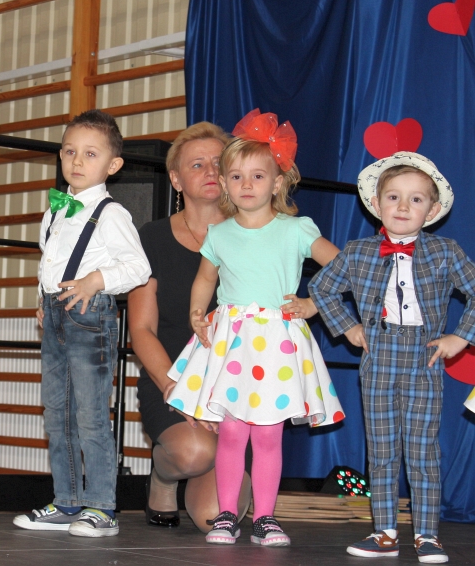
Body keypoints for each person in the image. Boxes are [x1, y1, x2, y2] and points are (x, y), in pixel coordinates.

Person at [166, 108, 344, 547]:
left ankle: (265, 517)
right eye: (237, 176)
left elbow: (343, 268)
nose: (247, 185)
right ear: (225, 184)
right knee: (231, 432)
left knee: (267, 435)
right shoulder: (220, 234)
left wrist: (313, 303)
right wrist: (196, 314)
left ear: (278, 182)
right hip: (232, 342)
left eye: (258, 176)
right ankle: (227, 515)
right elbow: (205, 279)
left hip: (276, 344)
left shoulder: (296, 230)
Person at [309, 151, 474, 564]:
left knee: (422, 450)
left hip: (424, 358)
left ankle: (427, 535)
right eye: (394, 197)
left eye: (416, 199)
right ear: (376, 203)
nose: (403, 206)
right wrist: (348, 327)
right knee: (382, 449)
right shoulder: (358, 251)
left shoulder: (445, 251)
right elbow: (322, 288)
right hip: (379, 358)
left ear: (432, 210)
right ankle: (384, 532)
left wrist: (460, 337)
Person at [13, 110, 151, 537]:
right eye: (70, 151)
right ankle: (68, 501)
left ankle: (103, 507)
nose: (77, 161)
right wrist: (43, 299)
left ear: (113, 165)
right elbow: (50, 262)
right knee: (57, 414)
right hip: (56, 313)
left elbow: (139, 268)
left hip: (91, 318)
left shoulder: (111, 214)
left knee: (91, 416)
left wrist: (96, 280)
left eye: (90, 154)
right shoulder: (55, 211)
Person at [129, 121, 251, 532]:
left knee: (214, 519)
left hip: (238, 387)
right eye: (197, 164)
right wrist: (178, 390)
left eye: (219, 162)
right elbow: (141, 329)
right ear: (177, 179)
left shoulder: (255, 236)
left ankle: (231, 461)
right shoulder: (152, 237)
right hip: (172, 377)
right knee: (193, 452)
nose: (210, 171)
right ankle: (163, 478)